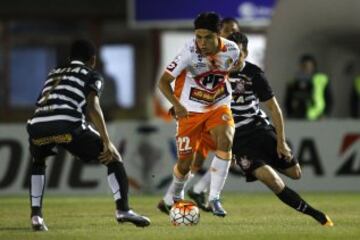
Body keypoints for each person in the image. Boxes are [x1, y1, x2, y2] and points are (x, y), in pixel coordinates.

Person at [192, 32, 333, 226]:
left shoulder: (254, 74)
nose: (232, 57)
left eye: (237, 53)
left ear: (246, 53)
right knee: (273, 181)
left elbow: (274, 109)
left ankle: (266, 163)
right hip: (238, 139)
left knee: (295, 173)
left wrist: (281, 142)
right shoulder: (213, 74)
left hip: (260, 130)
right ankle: (317, 215)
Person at [27, 39, 150, 231]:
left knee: (38, 163)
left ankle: (36, 216)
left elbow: (41, 101)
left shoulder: (53, 73)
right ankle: (123, 210)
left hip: (37, 125)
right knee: (113, 157)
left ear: (70, 58)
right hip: (67, 123)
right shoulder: (91, 74)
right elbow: (93, 106)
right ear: (93, 59)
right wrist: (107, 141)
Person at [157, 12, 240, 217]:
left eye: (207, 37)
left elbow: (227, 74)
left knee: (227, 141)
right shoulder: (188, 51)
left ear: (219, 34)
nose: (201, 42)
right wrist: (176, 105)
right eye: (198, 37)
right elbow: (163, 82)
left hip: (217, 106)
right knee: (186, 164)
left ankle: (214, 199)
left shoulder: (233, 50)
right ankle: (174, 196)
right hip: (189, 112)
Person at [285, 54, 332, 120]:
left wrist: (325, 114)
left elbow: (329, 98)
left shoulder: (321, 79)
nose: (306, 68)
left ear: (313, 66)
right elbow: (288, 100)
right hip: (297, 116)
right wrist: (289, 113)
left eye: (308, 66)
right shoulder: (294, 81)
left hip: (317, 116)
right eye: (303, 66)